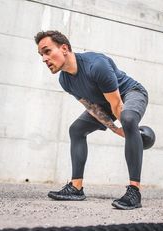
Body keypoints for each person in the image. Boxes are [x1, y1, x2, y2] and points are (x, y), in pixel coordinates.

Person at [35, 30, 148, 210]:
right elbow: (92, 107)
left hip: (129, 93)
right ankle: (76, 187)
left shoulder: (96, 65)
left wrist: (127, 130)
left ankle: (135, 191)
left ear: (64, 48)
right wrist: (115, 130)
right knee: (76, 130)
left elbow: (117, 103)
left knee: (127, 118)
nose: (44, 59)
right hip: (103, 103)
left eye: (47, 51)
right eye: (41, 54)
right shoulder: (65, 80)